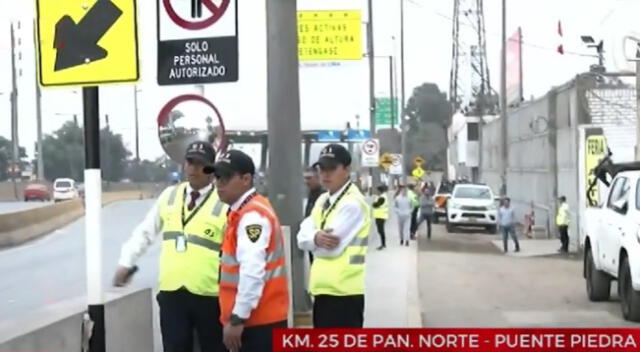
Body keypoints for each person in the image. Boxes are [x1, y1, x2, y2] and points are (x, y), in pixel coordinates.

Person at [113, 141, 227, 352]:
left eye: (200, 164)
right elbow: (145, 232)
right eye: (190, 162)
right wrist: (126, 262)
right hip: (172, 293)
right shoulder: (169, 196)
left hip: (210, 296)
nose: (193, 168)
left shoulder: (223, 201)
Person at [206, 150, 289, 352]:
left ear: (246, 179)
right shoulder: (244, 211)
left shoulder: (252, 217)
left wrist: (237, 319)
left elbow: (252, 272)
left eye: (225, 177)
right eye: (217, 177)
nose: (219, 183)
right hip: (257, 321)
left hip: (257, 324)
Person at [297, 144, 371, 328]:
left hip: (344, 294)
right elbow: (302, 235)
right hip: (323, 290)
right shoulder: (323, 200)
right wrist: (315, 237)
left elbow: (329, 250)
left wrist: (311, 238)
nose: (325, 174)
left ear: (347, 170)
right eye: (321, 169)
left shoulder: (352, 203)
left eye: (332, 168)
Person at [304, 167, 324, 263]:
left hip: (320, 238)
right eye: (305, 178)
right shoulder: (312, 193)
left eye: (309, 178)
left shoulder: (323, 195)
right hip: (312, 237)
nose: (306, 182)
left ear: (318, 178)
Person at [372, 185, 389, 250]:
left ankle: (383, 244)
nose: (376, 191)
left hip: (381, 216)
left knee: (381, 231)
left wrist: (374, 204)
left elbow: (375, 205)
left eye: (377, 190)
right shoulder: (380, 197)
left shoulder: (382, 197)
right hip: (379, 216)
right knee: (380, 230)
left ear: (380, 191)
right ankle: (383, 244)